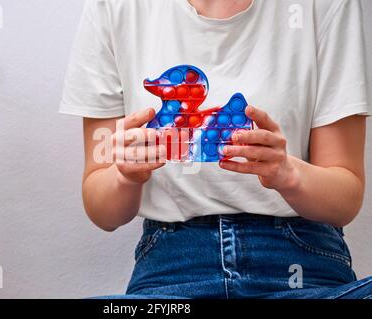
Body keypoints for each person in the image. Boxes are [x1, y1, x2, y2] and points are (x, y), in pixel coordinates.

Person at [60, 0, 372, 298]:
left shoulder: (326, 5)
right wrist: (126, 176)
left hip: (304, 265)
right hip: (172, 269)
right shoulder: (112, 7)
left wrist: (288, 175)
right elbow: (102, 210)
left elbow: (344, 200)